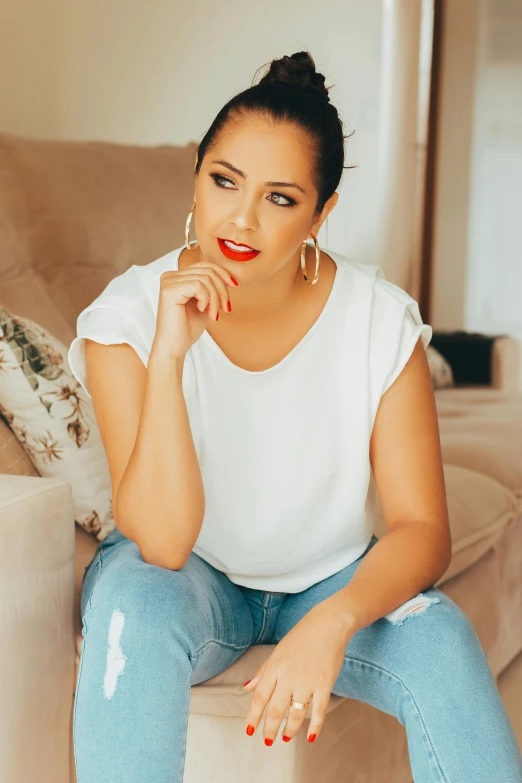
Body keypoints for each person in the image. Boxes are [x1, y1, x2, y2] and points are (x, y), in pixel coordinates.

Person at [68, 51, 522, 783]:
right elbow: (162, 538)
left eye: (280, 198)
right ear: (196, 175)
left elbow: (422, 530)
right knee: (130, 599)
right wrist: (169, 357)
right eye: (224, 181)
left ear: (321, 213)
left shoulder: (378, 319)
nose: (240, 218)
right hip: (192, 578)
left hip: (330, 578)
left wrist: (333, 620)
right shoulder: (126, 316)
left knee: (438, 636)